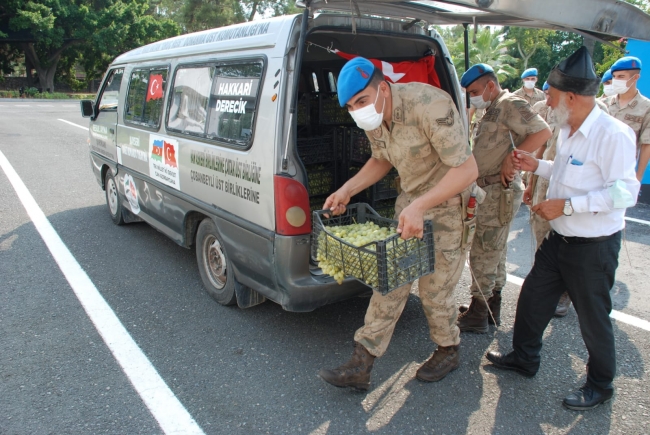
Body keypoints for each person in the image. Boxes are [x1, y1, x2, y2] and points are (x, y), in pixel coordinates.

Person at [486, 46, 640, 411]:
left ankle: (600, 385)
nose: (548, 102)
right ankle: (524, 359)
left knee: (593, 319)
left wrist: (568, 205)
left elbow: (625, 192)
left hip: (593, 246)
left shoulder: (612, 134)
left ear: (572, 96)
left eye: (552, 96)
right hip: (561, 240)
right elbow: (568, 172)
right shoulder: (570, 127)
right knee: (533, 298)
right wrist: (536, 165)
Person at [318, 57, 479, 390]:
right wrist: (346, 190)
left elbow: (466, 171)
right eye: (350, 106)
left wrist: (421, 204)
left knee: (434, 290)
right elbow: (381, 159)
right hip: (412, 206)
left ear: (384, 88)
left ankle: (449, 349)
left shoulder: (430, 105)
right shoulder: (375, 118)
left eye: (361, 100)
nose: (357, 110)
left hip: (449, 205)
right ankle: (361, 363)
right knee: (390, 280)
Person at [456, 64, 551, 332]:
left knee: (483, 250)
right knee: (495, 249)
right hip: (490, 188)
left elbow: (542, 132)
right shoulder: (491, 108)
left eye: (474, 91)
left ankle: (478, 312)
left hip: (498, 190)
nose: (472, 96)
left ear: (490, 85)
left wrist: (514, 158)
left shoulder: (510, 103)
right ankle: (490, 306)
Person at [606, 56, 650, 182]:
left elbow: (647, 144)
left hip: (623, 173)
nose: (616, 80)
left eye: (621, 77)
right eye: (614, 77)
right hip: (594, 167)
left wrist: (638, 176)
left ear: (635, 78)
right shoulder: (603, 103)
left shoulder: (646, 107)